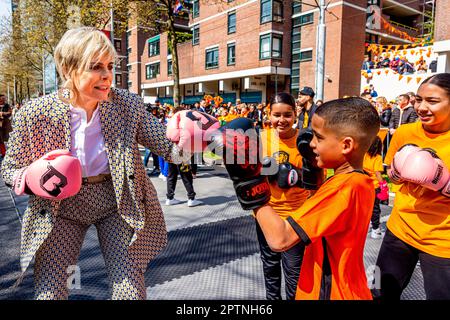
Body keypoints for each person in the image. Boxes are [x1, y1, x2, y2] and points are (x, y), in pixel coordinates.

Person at [0, 27, 200, 300]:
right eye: (96, 67)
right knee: (50, 292)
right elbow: (9, 169)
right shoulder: (35, 113)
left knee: (130, 290)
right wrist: (31, 178)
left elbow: (171, 150)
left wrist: (193, 140)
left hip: (116, 202)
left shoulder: (127, 104)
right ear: (69, 68)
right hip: (61, 209)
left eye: (110, 66)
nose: (107, 75)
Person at [220, 97, 380, 299]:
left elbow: (280, 239)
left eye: (319, 138)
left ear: (346, 144)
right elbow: (325, 212)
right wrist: (313, 171)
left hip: (329, 292)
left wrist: (248, 182)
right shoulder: (360, 181)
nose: (311, 143)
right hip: (346, 286)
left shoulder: (341, 190)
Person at [375, 73, 450, 300]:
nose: (422, 107)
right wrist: (397, 172)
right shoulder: (406, 132)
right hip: (400, 230)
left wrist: (443, 183)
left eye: (432, 101)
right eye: (419, 99)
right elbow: (393, 176)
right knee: (378, 292)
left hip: (442, 241)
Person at [256, 93, 309, 300]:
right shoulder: (261, 138)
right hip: (266, 213)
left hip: (296, 216)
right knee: (269, 265)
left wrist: (295, 175)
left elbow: (318, 179)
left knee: (294, 271)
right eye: (276, 115)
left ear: (296, 114)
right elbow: (248, 172)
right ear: (269, 115)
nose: (282, 120)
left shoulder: (305, 140)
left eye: (287, 114)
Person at [165, 107, 203, 207]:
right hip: (181, 152)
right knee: (186, 175)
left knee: (171, 175)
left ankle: (170, 197)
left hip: (171, 151)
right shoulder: (184, 123)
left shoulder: (170, 122)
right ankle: (191, 198)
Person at [363, 136, 385, 239]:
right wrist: (383, 185)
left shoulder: (364, 155)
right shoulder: (378, 158)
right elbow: (377, 173)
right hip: (374, 187)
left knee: (366, 207)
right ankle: (376, 230)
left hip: (364, 185)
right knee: (375, 208)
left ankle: (368, 224)